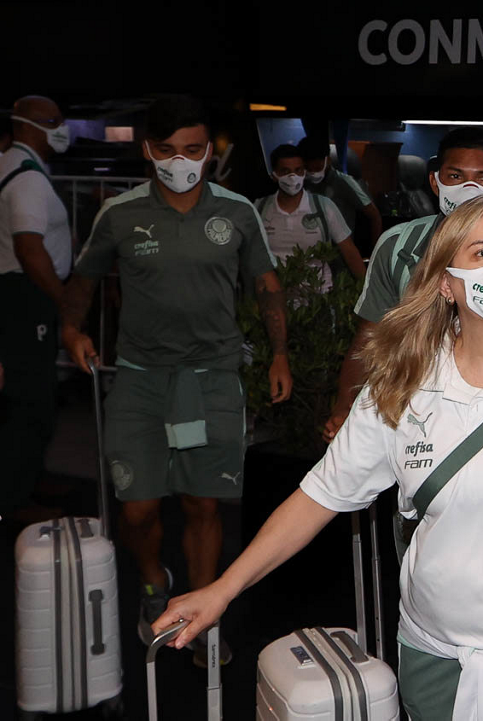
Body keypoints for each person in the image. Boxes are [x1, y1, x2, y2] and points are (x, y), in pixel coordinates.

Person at [153, 193, 483, 721]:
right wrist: (223, 589)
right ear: (446, 283)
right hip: (433, 653)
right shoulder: (402, 385)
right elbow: (319, 497)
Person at [60, 95, 292, 667]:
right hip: (140, 380)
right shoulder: (119, 213)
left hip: (211, 379)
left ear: (209, 151)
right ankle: (152, 582)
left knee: (202, 505)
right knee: (137, 510)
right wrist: (71, 330)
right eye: (166, 150)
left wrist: (279, 355)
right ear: (147, 150)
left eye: (191, 149)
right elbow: (85, 279)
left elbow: (266, 285)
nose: (179, 161)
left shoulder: (237, 212)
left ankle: (201, 616)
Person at [322, 127, 483, 557]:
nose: (469, 189)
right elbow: (370, 336)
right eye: (456, 176)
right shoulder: (398, 246)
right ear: (434, 182)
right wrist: (345, 404)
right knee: (421, 534)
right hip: (416, 417)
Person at [0, 95, 73, 523]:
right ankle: (14, 498)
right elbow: (29, 248)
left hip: (19, 295)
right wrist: (64, 301)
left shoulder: (13, 165)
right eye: (56, 121)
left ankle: (28, 478)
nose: (63, 129)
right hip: (27, 296)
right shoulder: (27, 178)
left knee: (29, 394)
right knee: (32, 400)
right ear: (32, 125)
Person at [255, 143, 365, 290]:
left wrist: (368, 290)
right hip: (276, 297)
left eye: (298, 170)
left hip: (318, 297)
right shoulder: (260, 208)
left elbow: (350, 252)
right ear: (274, 174)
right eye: (285, 171)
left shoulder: (323, 207)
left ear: (304, 172)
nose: (293, 177)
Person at [299, 136, 383, 256]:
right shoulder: (301, 183)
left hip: (339, 255)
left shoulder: (343, 182)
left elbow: (374, 215)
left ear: (328, 160)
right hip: (307, 253)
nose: (313, 173)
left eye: (317, 168)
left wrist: (375, 252)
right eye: (308, 169)